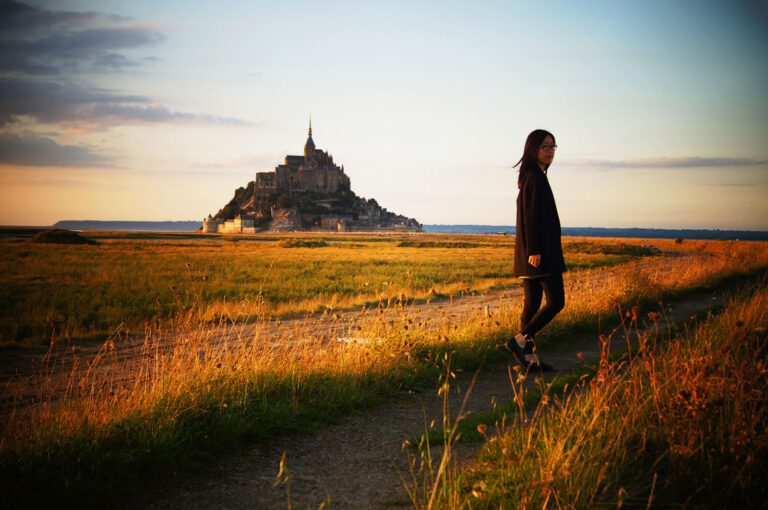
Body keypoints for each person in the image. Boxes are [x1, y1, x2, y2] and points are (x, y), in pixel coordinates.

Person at [505, 129, 566, 371]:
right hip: (539, 254)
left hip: (533, 253)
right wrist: (535, 250)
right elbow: (531, 217)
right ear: (533, 149)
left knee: (532, 306)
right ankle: (520, 340)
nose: (549, 151)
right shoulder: (534, 177)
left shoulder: (534, 176)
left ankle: (528, 359)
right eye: (544, 146)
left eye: (552, 146)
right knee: (556, 302)